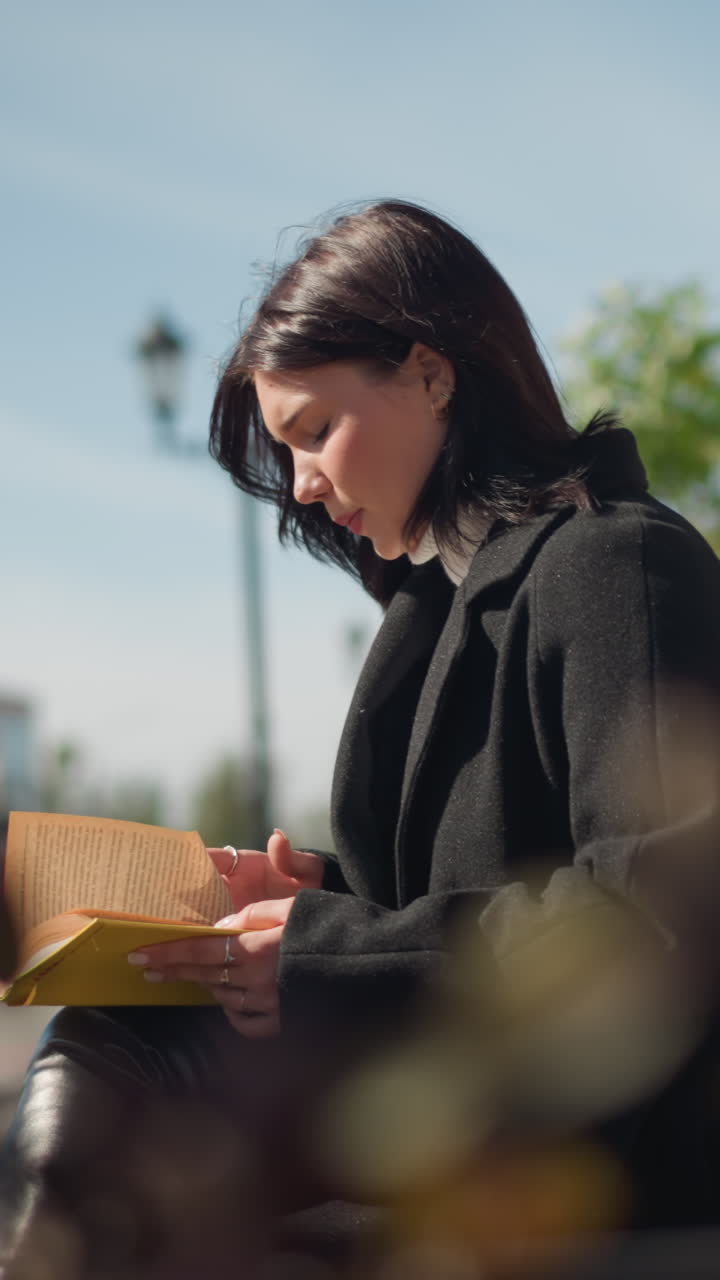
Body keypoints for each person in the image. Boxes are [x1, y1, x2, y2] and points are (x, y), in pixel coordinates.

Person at [3, 199, 720, 1278]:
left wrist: (316, 944)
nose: (298, 483)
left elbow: (654, 918)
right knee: (116, 1020)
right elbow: (474, 883)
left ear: (434, 375)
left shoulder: (617, 565)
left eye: (313, 432)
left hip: (566, 1185)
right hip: (437, 1134)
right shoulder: (429, 610)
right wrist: (295, 898)